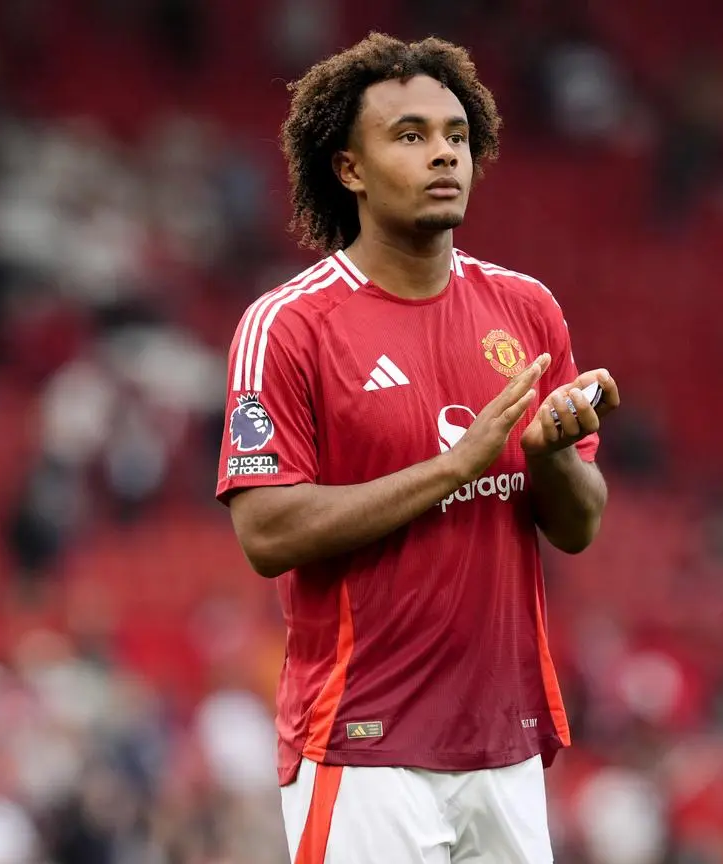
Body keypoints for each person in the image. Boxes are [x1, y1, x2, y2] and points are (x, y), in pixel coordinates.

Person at [216, 33, 621, 863]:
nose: (443, 154)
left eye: (456, 135)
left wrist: (547, 456)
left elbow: (578, 525)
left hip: (504, 741)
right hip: (365, 742)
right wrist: (452, 468)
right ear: (349, 169)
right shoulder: (289, 326)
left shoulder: (526, 308)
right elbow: (266, 534)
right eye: (410, 136)